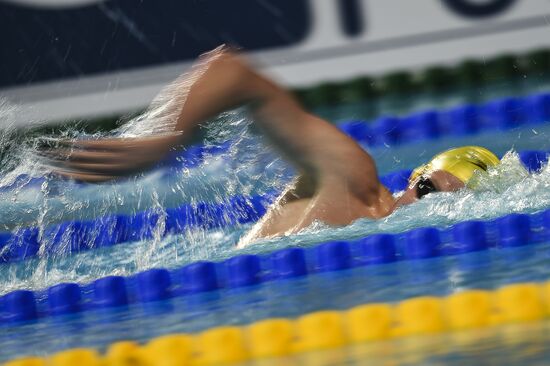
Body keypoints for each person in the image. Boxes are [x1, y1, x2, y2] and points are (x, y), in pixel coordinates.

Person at [41, 47, 500, 245]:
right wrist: (160, 139)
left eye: (455, 213)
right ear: (413, 179)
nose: (431, 213)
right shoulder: (355, 182)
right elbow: (232, 70)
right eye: (432, 194)